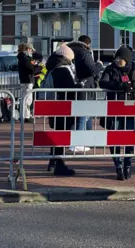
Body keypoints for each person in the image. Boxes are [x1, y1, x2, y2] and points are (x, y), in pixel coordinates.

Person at [100, 46, 135, 180]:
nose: (117, 61)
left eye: (120, 59)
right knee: (114, 138)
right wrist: (119, 86)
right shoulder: (111, 69)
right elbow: (102, 82)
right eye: (116, 59)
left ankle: (127, 165)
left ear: (127, 60)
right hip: (115, 109)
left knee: (129, 138)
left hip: (131, 109)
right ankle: (118, 166)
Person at [45, 44, 82, 176]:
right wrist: (79, 87)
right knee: (61, 136)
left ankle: (54, 161)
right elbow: (68, 89)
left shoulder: (53, 68)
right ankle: (59, 164)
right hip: (62, 107)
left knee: (58, 135)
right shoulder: (62, 70)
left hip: (54, 106)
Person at [67, 35, 103, 152]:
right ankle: (80, 141)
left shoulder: (71, 51)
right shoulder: (84, 53)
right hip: (86, 86)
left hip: (76, 86)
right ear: (87, 43)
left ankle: (83, 140)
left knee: (83, 115)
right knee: (84, 115)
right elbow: (93, 70)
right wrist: (99, 65)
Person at [17, 43, 44, 123]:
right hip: (27, 80)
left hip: (26, 79)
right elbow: (30, 68)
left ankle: (24, 115)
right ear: (27, 49)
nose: (32, 52)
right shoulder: (24, 58)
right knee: (27, 99)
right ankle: (26, 116)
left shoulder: (23, 57)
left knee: (25, 98)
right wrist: (39, 67)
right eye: (31, 50)